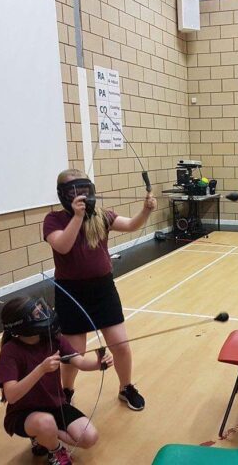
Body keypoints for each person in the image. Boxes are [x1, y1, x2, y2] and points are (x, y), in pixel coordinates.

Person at [43, 169, 156, 412]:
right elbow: (62, 246)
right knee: (74, 353)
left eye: (84, 190)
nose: (81, 196)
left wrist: (145, 211)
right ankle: (67, 391)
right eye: (74, 192)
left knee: (121, 345)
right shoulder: (53, 220)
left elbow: (131, 225)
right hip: (71, 293)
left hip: (103, 289)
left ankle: (126, 387)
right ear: (63, 195)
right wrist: (77, 217)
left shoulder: (102, 216)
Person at [0, 296, 113, 465]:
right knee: (46, 423)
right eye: (37, 314)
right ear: (22, 323)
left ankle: (43, 437)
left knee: (89, 437)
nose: (44, 314)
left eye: (42, 310)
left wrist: (98, 364)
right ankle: (55, 450)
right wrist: (41, 369)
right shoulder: (10, 351)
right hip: (23, 413)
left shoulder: (53, 338)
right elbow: (11, 396)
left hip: (54, 404)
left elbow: (79, 362)